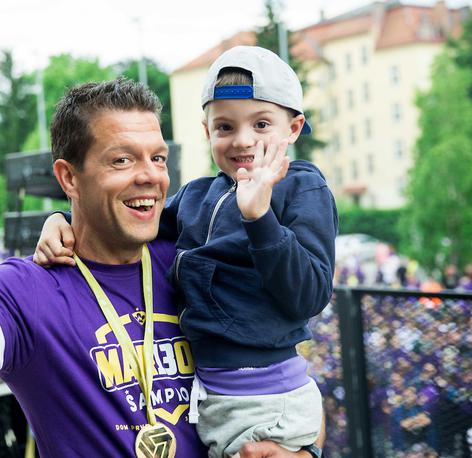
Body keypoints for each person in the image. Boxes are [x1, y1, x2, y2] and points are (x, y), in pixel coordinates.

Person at [0, 30, 323, 458]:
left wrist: (304, 451)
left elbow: (288, 383)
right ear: (68, 177)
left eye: (157, 157)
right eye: (121, 159)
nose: (149, 175)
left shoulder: (190, 257)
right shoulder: (29, 290)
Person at [35, 46, 337, 457]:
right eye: (225, 127)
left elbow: (310, 295)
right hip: (211, 397)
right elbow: (134, 221)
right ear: (206, 131)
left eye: (262, 124)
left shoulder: (302, 186)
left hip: (268, 400)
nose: (243, 140)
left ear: (294, 128)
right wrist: (60, 219)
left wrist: (259, 218)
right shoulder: (197, 196)